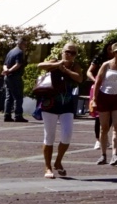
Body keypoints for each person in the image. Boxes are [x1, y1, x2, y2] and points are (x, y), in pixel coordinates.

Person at [34, 43, 86, 178]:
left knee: (67, 134)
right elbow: (40, 66)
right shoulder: (54, 62)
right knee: (49, 136)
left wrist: (66, 70)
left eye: (73, 53)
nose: (69, 54)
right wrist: (58, 65)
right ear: (62, 52)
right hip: (50, 104)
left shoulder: (75, 66)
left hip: (67, 105)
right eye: (67, 52)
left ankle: (58, 162)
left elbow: (80, 78)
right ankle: (47, 167)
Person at [2, 38, 30, 123]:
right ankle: (18, 116)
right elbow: (18, 64)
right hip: (15, 76)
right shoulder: (20, 52)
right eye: (25, 44)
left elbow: (5, 64)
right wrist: (10, 71)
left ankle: (7, 115)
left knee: (9, 97)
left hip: (7, 77)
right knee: (18, 97)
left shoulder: (10, 52)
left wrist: (6, 70)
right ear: (21, 44)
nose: (25, 46)